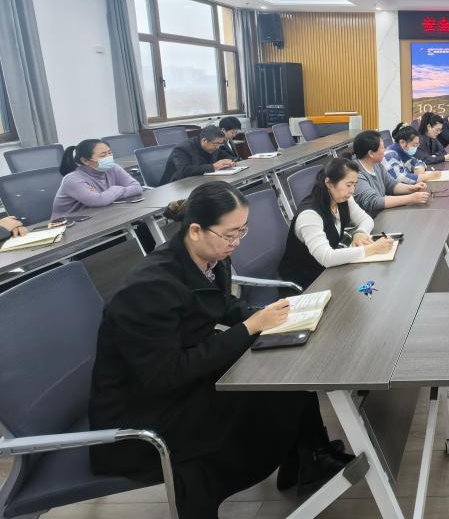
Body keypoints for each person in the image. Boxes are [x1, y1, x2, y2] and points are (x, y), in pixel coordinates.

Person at [89, 182, 354, 518]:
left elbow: (221, 304)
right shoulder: (149, 288)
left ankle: (307, 458)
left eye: (242, 231)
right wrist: (249, 327)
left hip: (178, 381)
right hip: (141, 413)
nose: (237, 242)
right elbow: (164, 374)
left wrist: (269, 315)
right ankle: (303, 458)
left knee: (283, 373)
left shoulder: (210, 256)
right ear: (195, 230)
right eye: (230, 234)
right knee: (267, 390)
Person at [280, 157, 393, 289]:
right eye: (348, 185)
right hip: (308, 283)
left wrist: (359, 233)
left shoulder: (343, 198)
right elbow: (326, 258)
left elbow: (366, 219)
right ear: (328, 183)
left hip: (331, 270)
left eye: (354, 184)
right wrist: (371, 249)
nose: (352, 190)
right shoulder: (309, 215)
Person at [52, 138, 142, 217]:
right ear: (85, 161)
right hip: (67, 225)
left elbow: (137, 187)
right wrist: (114, 191)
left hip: (99, 216)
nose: (109, 157)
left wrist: (107, 196)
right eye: (103, 156)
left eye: (110, 153)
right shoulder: (73, 179)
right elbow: (98, 201)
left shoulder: (113, 168)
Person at [351, 130, 430, 216]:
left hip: (382, 214)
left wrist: (413, 188)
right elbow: (374, 201)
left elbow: (391, 185)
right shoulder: (355, 173)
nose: (384, 150)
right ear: (371, 153)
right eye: (382, 148)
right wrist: (410, 198)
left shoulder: (376, 165)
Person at [161, 125, 235, 184]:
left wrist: (231, 161)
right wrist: (213, 167)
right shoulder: (182, 149)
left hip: (200, 181)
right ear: (204, 140)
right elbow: (184, 170)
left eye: (220, 144)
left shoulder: (213, 146)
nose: (218, 147)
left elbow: (228, 157)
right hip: (176, 186)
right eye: (216, 144)